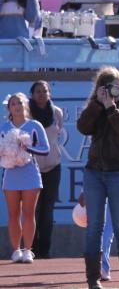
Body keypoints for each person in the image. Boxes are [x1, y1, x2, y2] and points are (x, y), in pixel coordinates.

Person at [76, 66, 119, 289]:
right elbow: (82, 127)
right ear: (99, 89)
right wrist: (97, 105)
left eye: (117, 85)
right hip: (95, 172)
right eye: (107, 87)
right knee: (94, 226)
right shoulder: (95, 106)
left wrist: (112, 109)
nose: (113, 90)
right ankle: (93, 280)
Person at [1, 92, 50, 263]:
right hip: (10, 174)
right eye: (13, 104)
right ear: (9, 108)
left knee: (29, 213)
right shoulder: (3, 128)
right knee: (13, 214)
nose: (16, 106)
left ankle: (28, 250)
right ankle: (16, 250)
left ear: (25, 105)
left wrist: (27, 149)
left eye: (19, 103)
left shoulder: (34, 125)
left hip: (30, 173)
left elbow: (45, 149)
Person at [29, 81, 64, 260]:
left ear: (50, 93)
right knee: (32, 209)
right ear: (32, 94)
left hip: (53, 166)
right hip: (30, 168)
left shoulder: (57, 112)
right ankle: (30, 248)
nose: (42, 94)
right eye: (38, 91)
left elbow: (57, 134)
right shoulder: (26, 113)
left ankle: (45, 250)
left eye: (45, 91)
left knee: (47, 209)